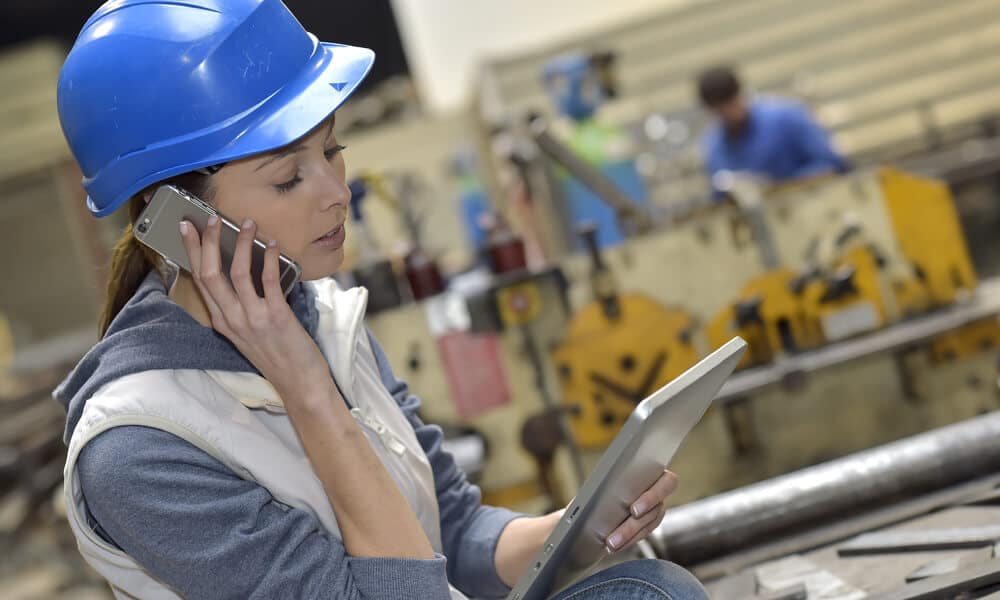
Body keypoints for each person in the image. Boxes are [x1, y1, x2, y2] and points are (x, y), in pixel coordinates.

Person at [53, 1, 709, 599]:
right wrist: (307, 388)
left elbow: (449, 535)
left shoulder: (327, 318)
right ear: (178, 218)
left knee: (648, 590)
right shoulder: (139, 450)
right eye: (287, 178)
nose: (337, 191)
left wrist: (577, 525)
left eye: (332, 150)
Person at [698, 65, 850, 197]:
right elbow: (719, 198)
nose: (728, 113)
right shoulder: (714, 148)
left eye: (730, 104)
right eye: (720, 110)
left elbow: (831, 163)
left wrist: (781, 188)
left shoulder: (786, 117)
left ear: (740, 94)